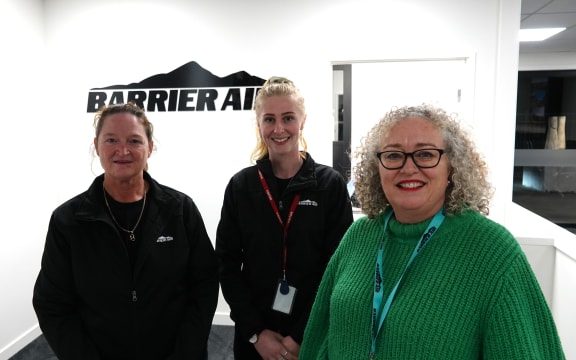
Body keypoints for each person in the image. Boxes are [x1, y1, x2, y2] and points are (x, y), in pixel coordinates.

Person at [300, 104, 566, 359]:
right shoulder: (359, 236)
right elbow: (318, 341)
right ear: (376, 168)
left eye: (425, 154)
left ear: (452, 166)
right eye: (393, 155)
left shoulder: (492, 251)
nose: (408, 167)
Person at [33, 102, 219, 360]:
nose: (123, 150)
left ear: (150, 147)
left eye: (134, 140)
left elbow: (204, 286)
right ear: (97, 146)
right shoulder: (68, 222)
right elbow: (51, 304)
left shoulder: (180, 210)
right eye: (111, 140)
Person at [215, 76, 354, 360]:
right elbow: (226, 266)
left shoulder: (329, 185)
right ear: (259, 125)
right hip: (255, 341)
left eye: (288, 118)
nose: (279, 129)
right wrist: (256, 333)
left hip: (312, 337)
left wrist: (302, 336)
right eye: (269, 119)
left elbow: (339, 268)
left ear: (302, 122)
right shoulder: (241, 187)